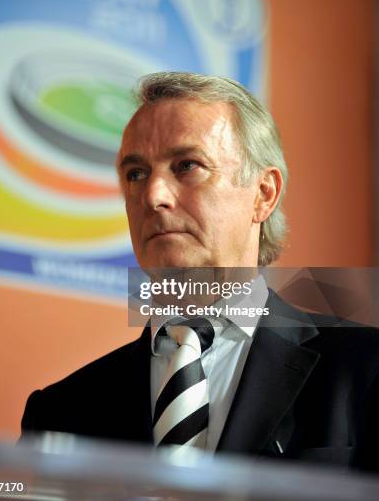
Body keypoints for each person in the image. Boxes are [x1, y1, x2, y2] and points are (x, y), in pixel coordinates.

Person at [21, 72, 379, 471]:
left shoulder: (365, 368)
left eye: (187, 165)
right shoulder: (59, 412)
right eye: (135, 174)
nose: (153, 196)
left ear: (264, 195)